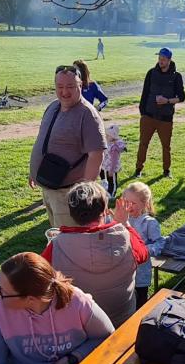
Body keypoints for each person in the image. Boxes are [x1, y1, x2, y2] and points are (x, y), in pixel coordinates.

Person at [42, 181, 149, 327]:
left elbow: (39, 278)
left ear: (71, 213)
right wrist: (124, 223)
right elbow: (144, 254)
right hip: (122, 323)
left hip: (81, 326)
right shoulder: (126, 237)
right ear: (104, 211)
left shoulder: (56, 245)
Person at [30, 65, 108, 227]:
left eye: (70, 86)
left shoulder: (88, 115)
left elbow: (96, 155)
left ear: (81, 85)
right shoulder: (53, 106)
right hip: (49, 187)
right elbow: (44, 139)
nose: (64, 92)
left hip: (68, 194)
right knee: (56, 235)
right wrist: (35, 172)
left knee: (68, 237)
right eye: (60, 86)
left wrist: (84, 194)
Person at [135, 48, 185, 179]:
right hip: (148, 116)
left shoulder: (176, 77)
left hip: (165, 118)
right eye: (159, 59)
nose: (160, 61)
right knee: (143, 143)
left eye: (163, 59)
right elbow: (144, 94)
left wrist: (167, 101)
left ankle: (166, 171)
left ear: (169, 60)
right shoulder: (151, 73)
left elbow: (181, 97)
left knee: (166, 146)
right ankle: (138, 169)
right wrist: (143, 113)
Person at [114, 181, 165, 309]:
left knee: (140, 303)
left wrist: (143, 250)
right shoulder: (122, 218)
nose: (129, 206)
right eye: (126, 202)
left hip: (140, 274)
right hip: (123, 272)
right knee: (125, 302)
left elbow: (159, 243)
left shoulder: (149, 223)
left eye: (133, 203)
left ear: (145, 204)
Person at [101, 123, 129, 197]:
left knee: (112, 181)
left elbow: (114, 161)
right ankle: (109, 191)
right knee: (109, 180)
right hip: (108, 166)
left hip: (112, 167)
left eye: (108, 135)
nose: (106, 136)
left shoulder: (114, 147)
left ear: (113, 137)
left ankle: (112, 193)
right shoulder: (109, 143)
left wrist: (111, 170)